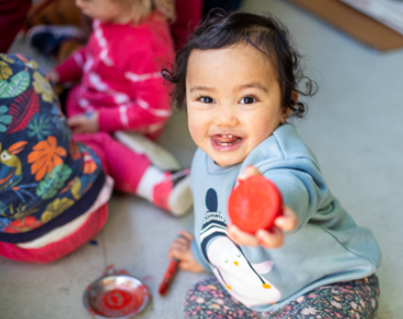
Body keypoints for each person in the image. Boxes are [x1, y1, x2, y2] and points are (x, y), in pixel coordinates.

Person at [164, 11, 381, 318]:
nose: (224, 119)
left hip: (328, 284)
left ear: (285, 106)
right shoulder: (202, 159)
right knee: (200, 299)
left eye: (247, 99)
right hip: (263, 297)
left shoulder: (282, 157)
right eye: (206, 99)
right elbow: (214, 222)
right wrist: (201, 255)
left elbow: (295, 185)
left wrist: (277, 205)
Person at [0, 53, 192, 263]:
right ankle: (157, 184)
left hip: (31, 245)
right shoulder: (23, 65)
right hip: (92, 208)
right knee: (93, 140)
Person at [47, 0, 176, 141]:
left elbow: (154, 111)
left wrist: (99, 121)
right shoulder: (110, 18)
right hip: (88, 100)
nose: (78, 4)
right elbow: (92, 52)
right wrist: (58, 74)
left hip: (116, 131)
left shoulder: (146, 49)